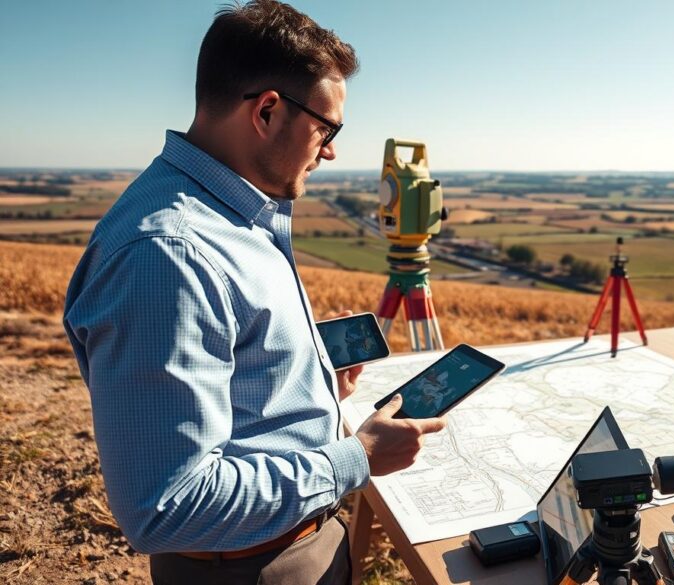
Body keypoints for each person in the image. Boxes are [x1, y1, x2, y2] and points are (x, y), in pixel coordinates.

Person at [62, 1, 445, 583]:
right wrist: (356, 458)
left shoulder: (229, 214)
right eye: (327, 128)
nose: (332, 150)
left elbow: (225, 363)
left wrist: (304, 369)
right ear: (267, 111)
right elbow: (169, 506)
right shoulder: (170, 256)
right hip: (252, 565)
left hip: (288, 543)